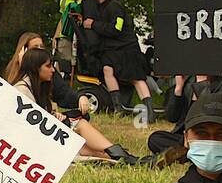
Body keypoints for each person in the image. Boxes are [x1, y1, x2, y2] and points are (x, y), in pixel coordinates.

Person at [9, 46, 145, 164]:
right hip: (35, 144)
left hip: (47, 136)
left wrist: (54, 115)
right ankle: (121, 155)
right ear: (35, 67)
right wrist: (52, 119)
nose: (52, 70)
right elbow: (28, 126)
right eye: (48, 66)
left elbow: (63, 95)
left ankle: (119, 158)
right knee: (80, 126)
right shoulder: (22, 90)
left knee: (84, 145)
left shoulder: (39, 86)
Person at [81, 0, 152, 114]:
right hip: (113, 50)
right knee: (108, 70)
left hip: (127, 48)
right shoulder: (101, 4)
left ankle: (149, 110)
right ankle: (118, 106)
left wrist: (94, 24)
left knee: (136, 78)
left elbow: (116, 28)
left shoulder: (115, 7)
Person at [148, 74, 222, 156]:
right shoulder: (187, 80)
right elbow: (172, 117)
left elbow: (211, 113)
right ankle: (190, 152)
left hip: (208, 136)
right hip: (184, 137)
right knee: (155, 138)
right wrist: (178, 89)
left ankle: (187, 152)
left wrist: (202, 83)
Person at [50, 0, 88, 71]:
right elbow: (62, 19)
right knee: (63, 66)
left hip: (81, 39)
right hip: (65, 37)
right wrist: (55, 37)